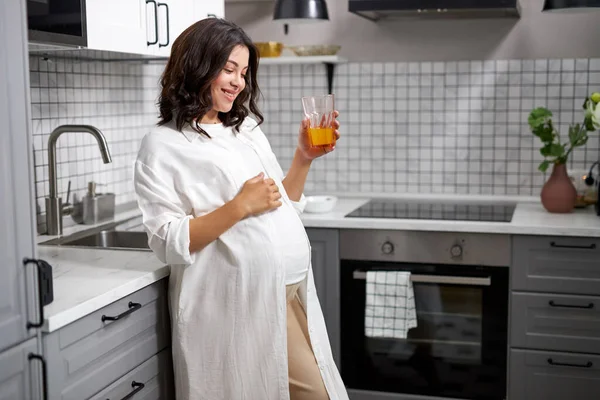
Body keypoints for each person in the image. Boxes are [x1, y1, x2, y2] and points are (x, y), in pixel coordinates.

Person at [133, 17, 349, 400]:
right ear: (197, 65)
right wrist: (237, 208)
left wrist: (303, 158)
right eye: (228, 69)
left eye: (244, 72)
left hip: (287, 290)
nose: (238, 82)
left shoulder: (244, 128)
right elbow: (166, 241)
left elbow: (279, 205)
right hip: (237, 301)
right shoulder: (162, 144)